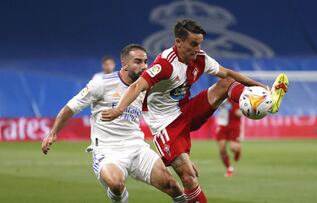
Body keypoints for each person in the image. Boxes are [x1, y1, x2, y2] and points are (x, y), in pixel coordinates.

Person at [102, 19, 288, 203]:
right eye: (193, 44)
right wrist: (119, 109)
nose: (197, 49)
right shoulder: (165, 65)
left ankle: (264, 102)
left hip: (187, 110)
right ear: (178, 42)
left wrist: (263, 88)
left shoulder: (200, 58)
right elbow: (136, 87)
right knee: (188, 177)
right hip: (166, 125)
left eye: (199, 44)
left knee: (226, 83)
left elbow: (228, 74)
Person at [41, 44, 186, 203]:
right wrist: (53, 133)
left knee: (172, 185)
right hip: (107, 150)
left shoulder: (146, 87)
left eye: (145, 61)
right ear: (124, 64)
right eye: (137, 62)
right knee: (116, 184)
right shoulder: (101, 83)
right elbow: (70, 107)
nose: (144, 66)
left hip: (136, 147)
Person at [215, 99, 242, 177]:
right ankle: (229, 168)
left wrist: (240, 112)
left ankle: (238, 151)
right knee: (222, 149)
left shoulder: (235, 97)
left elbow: (240, 112)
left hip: (234, 125)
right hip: (222, 125)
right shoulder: (220, 96)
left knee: (233, 148)